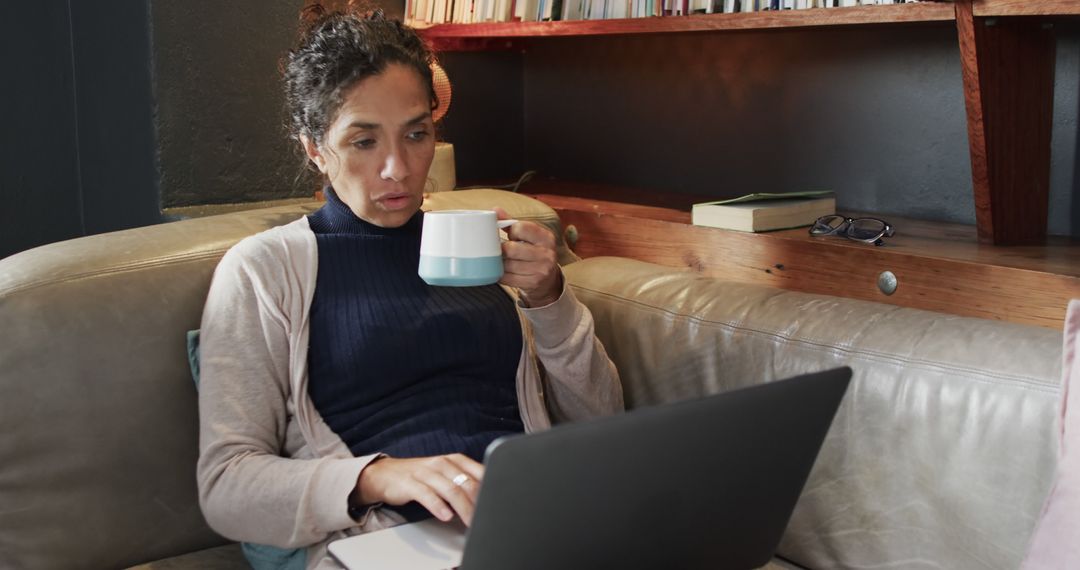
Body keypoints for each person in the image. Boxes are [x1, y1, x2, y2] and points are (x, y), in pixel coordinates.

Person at [195, 7, 623, 569]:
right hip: (389, 543)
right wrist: (375, 477)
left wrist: (550, 299)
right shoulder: (264, 270)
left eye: (416, 134)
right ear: (314, 148)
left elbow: (603, 422)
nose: (397, 167)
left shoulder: (484, 244)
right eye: (364, 141)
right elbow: (226, 486)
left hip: (527, 518)